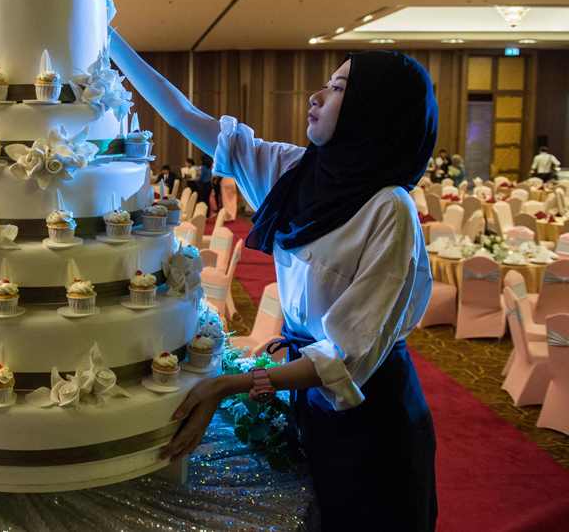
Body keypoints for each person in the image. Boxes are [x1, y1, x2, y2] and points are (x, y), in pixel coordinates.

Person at [111, 30, 437, 530]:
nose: (316, 95)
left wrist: (236, 383)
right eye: (326, 83)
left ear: (375, 111)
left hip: (371, 411)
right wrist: (107, 34)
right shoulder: (295, 170)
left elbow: (346, 356)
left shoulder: (388, 210)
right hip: (303, 391)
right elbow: (182, 115)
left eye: (340, 88)